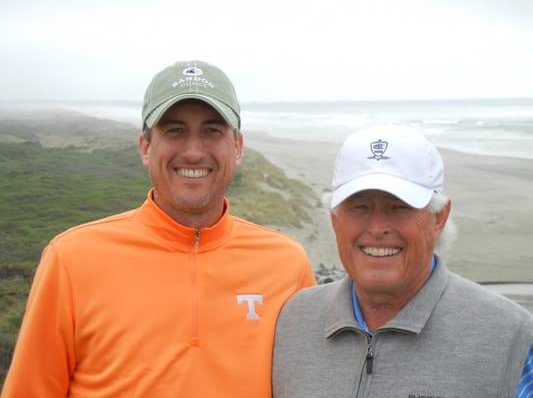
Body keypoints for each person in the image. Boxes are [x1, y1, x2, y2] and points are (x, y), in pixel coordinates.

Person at [2, 60, 316, 397]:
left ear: (237, 147)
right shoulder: (71, 259)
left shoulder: (286, 264)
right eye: (175, 130)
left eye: (212, 130)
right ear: (145, 147)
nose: (193, 152)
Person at [273, 126, 533, 398]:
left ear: (439, 218)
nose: (377, 228)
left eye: (400, 206)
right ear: (334, 218)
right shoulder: (293, 321)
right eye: (359, 206)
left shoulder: (510, 335)